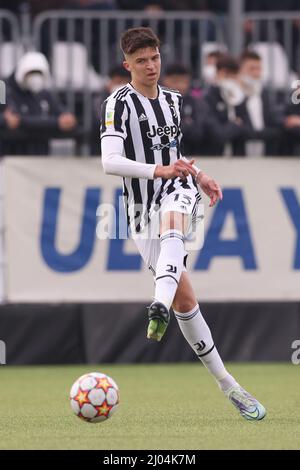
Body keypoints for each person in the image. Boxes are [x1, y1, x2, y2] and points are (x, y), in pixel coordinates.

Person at [100, 27, 266, 421]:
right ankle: (230, 386)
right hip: (140, 210)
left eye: (154, 57)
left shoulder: (174, 101)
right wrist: (159, 170)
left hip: (177, 189)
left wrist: (200, 174)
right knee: (186, 301)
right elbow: (109, 162)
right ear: (128, 66)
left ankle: (156, 304)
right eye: (141, 61)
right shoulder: (117, 104)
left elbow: (175, 155)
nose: (151, 66)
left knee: (175, 218)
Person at [0, 51, 77, 156]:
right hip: (11, 155)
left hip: (40, 155)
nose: (35, 78)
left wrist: (63, 120)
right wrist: (55, 123)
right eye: (31, 73)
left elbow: (66, 118)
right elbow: (13, 120)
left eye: (39, 73)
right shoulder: (3, 89)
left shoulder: (45, 94)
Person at [236, 50, 284, 156]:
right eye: (252, 69)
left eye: (259, 69)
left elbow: (275, 125)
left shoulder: (264, 94)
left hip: (265, 156)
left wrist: (257, 134)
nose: (256, 73)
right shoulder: (232, 95)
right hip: (237, 157)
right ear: (240, 70)